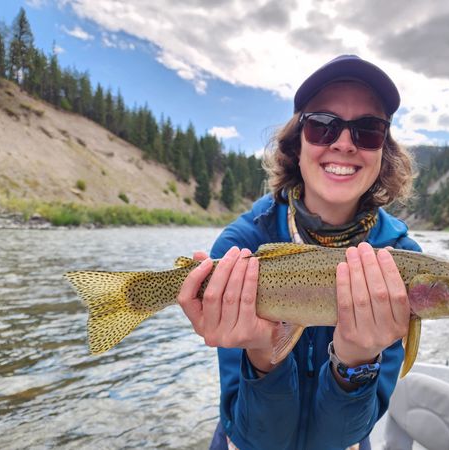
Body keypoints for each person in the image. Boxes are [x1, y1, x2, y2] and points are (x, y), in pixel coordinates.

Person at [177, 54, 421, 450]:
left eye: (368, 129)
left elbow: (336, 439)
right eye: (323, 126)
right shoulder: (241, 247)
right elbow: (262, 440)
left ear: (383, 149)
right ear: (297, 142)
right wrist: (262, 354)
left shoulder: (399, 261)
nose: (344, 143)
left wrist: (355, 363)